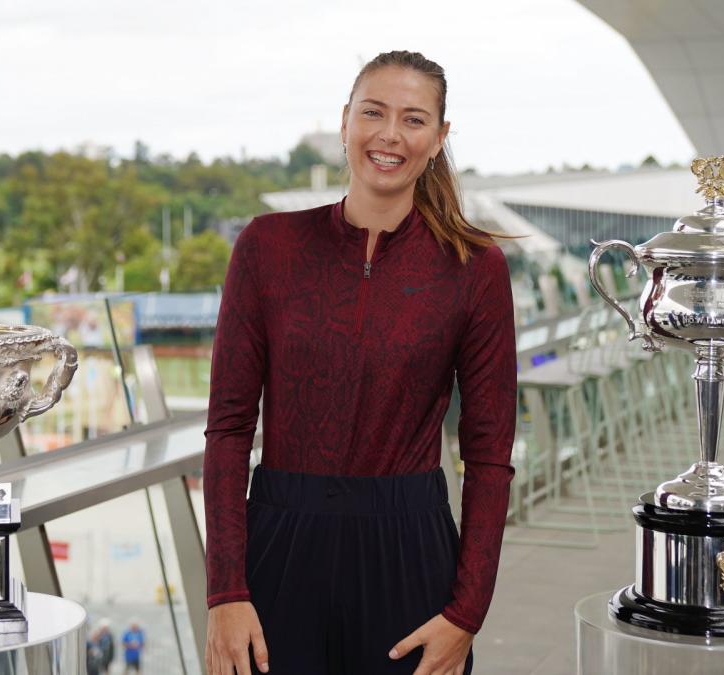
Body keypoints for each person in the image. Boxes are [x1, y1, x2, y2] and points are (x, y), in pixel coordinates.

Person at [203, 50, 518, 675]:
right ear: (345, 121)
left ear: (439, 138)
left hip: (410, 554)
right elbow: (229, 429)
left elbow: (488, 454)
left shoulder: (475, 269)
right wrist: (225, 594)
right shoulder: (266, 247)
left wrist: (466, 613)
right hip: (278, 551)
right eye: (373, 113)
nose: (390, 135)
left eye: (413, 119)